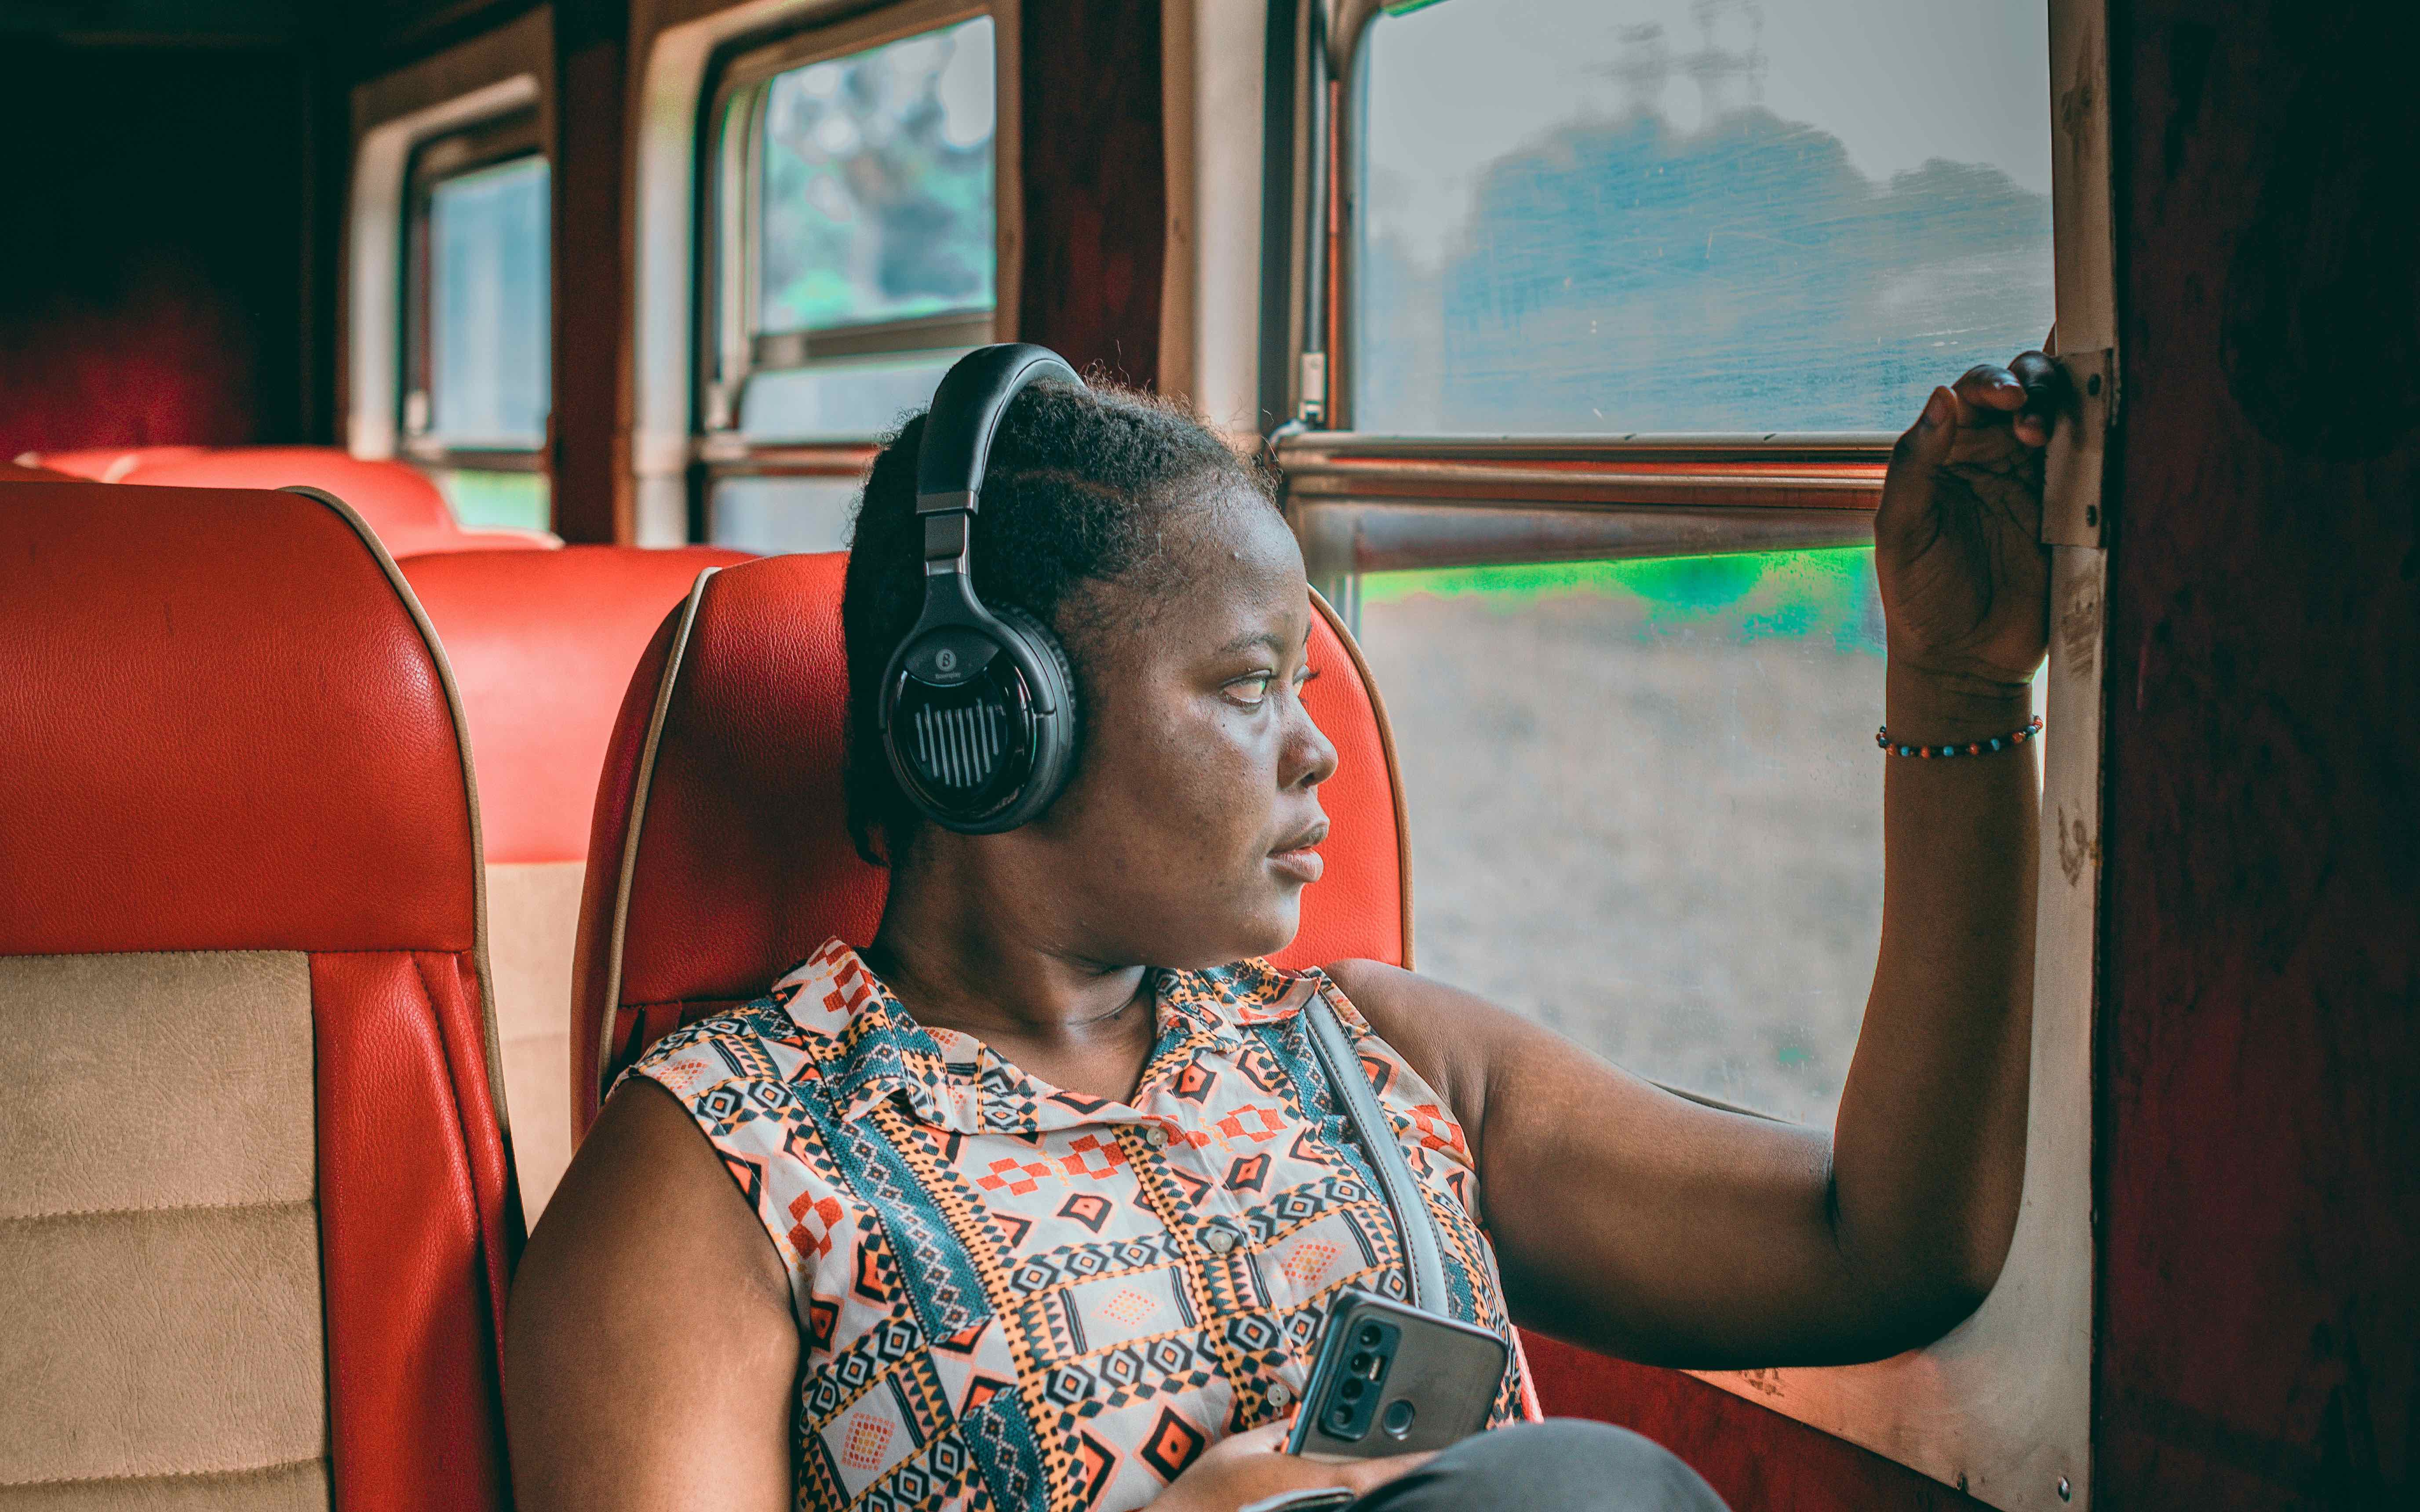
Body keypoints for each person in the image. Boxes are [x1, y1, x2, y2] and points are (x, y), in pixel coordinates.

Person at [506, 351, 2068, 1512]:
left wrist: (1956, 687)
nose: (1317, 752)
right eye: (1252, 686)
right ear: (995, 722)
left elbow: (1886, 1251)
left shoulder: (1383, 1054)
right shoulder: (724, 1163)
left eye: (1308, 689)